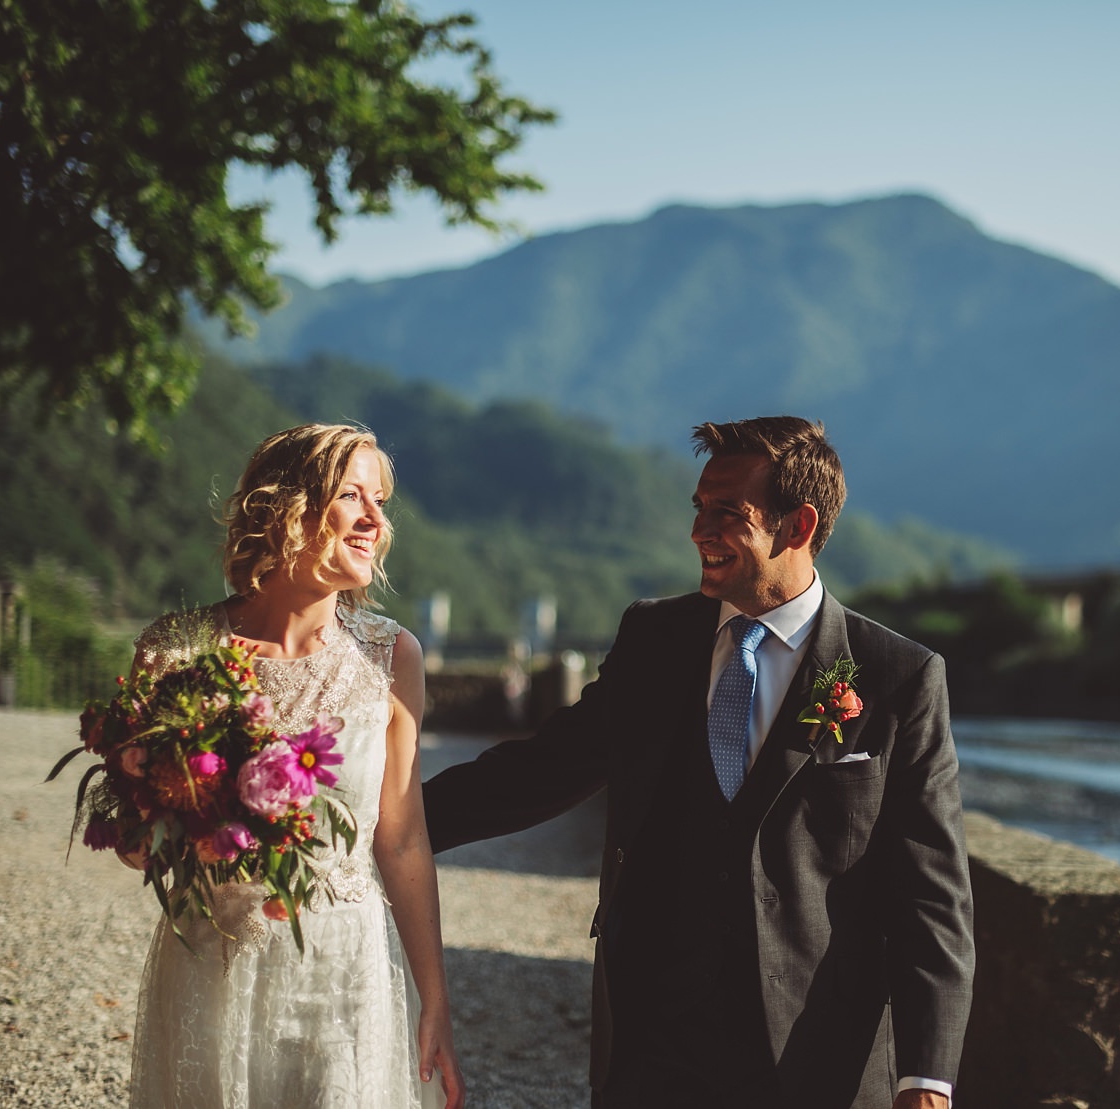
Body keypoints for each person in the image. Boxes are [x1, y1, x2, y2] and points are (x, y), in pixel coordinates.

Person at [422, 416, 974, 1109]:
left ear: (798, 526)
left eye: (726, 513)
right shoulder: (654, 637)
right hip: (654, 1041)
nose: (699, 532)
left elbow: (932, 895)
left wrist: (926, 1077)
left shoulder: (898, 676)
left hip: (813, 1056)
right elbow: (543, 768)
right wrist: (392, 829)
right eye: (698, 509)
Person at [127, 424, 463, 1109]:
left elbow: (400, 840)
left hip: (342, 973)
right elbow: (138, 845)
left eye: (381, 500)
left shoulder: (391, 658)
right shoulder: (176, 654)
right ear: (287, 510)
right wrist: (181, 825)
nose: (376, 519)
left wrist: (435, 1003)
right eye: (352, 495)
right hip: (210, 961)